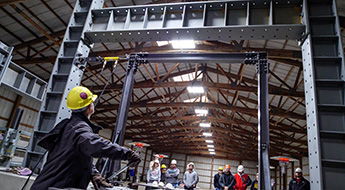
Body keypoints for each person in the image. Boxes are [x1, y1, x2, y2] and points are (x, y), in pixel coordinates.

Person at [30, 86, 141, 190]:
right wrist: (128, 153)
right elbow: (96, 145)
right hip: (56, 187)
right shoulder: (79, 128)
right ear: (90, 107)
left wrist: (93, 173)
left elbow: (74, 156)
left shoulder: (68, 127)